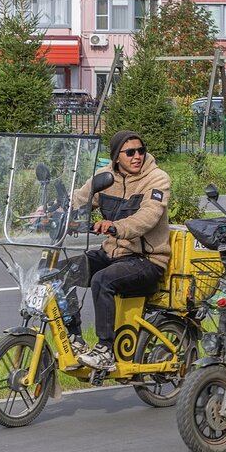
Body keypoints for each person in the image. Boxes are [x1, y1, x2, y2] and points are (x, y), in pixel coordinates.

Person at [65, 130, 172, 371]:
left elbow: (148, 216)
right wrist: (50, 212)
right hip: (112, 254)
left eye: (141, 151)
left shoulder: (157, 179)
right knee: (59, 271)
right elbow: (78, 199)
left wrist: (116, 227)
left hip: (146, 260)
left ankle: (106, 351)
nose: (137, 157)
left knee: (102, 280)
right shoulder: (104, 178)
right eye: (130, 152)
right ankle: (74, 338)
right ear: (116, 157)